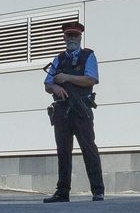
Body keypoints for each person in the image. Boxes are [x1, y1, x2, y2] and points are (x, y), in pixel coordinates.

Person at [42, 21, 104, 203]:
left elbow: (91, 79)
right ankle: (62, 192)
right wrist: (55, 88)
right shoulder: (58, 59)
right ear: (64, 38)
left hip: (81, 109)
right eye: (69, 36)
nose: (72, 39)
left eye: (75, 36)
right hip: (61, 110)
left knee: (89, 149)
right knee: (63, 151)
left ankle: (98, 191)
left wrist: (67, 78)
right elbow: (47, 83)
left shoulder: (88, 56)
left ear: (80, 37)